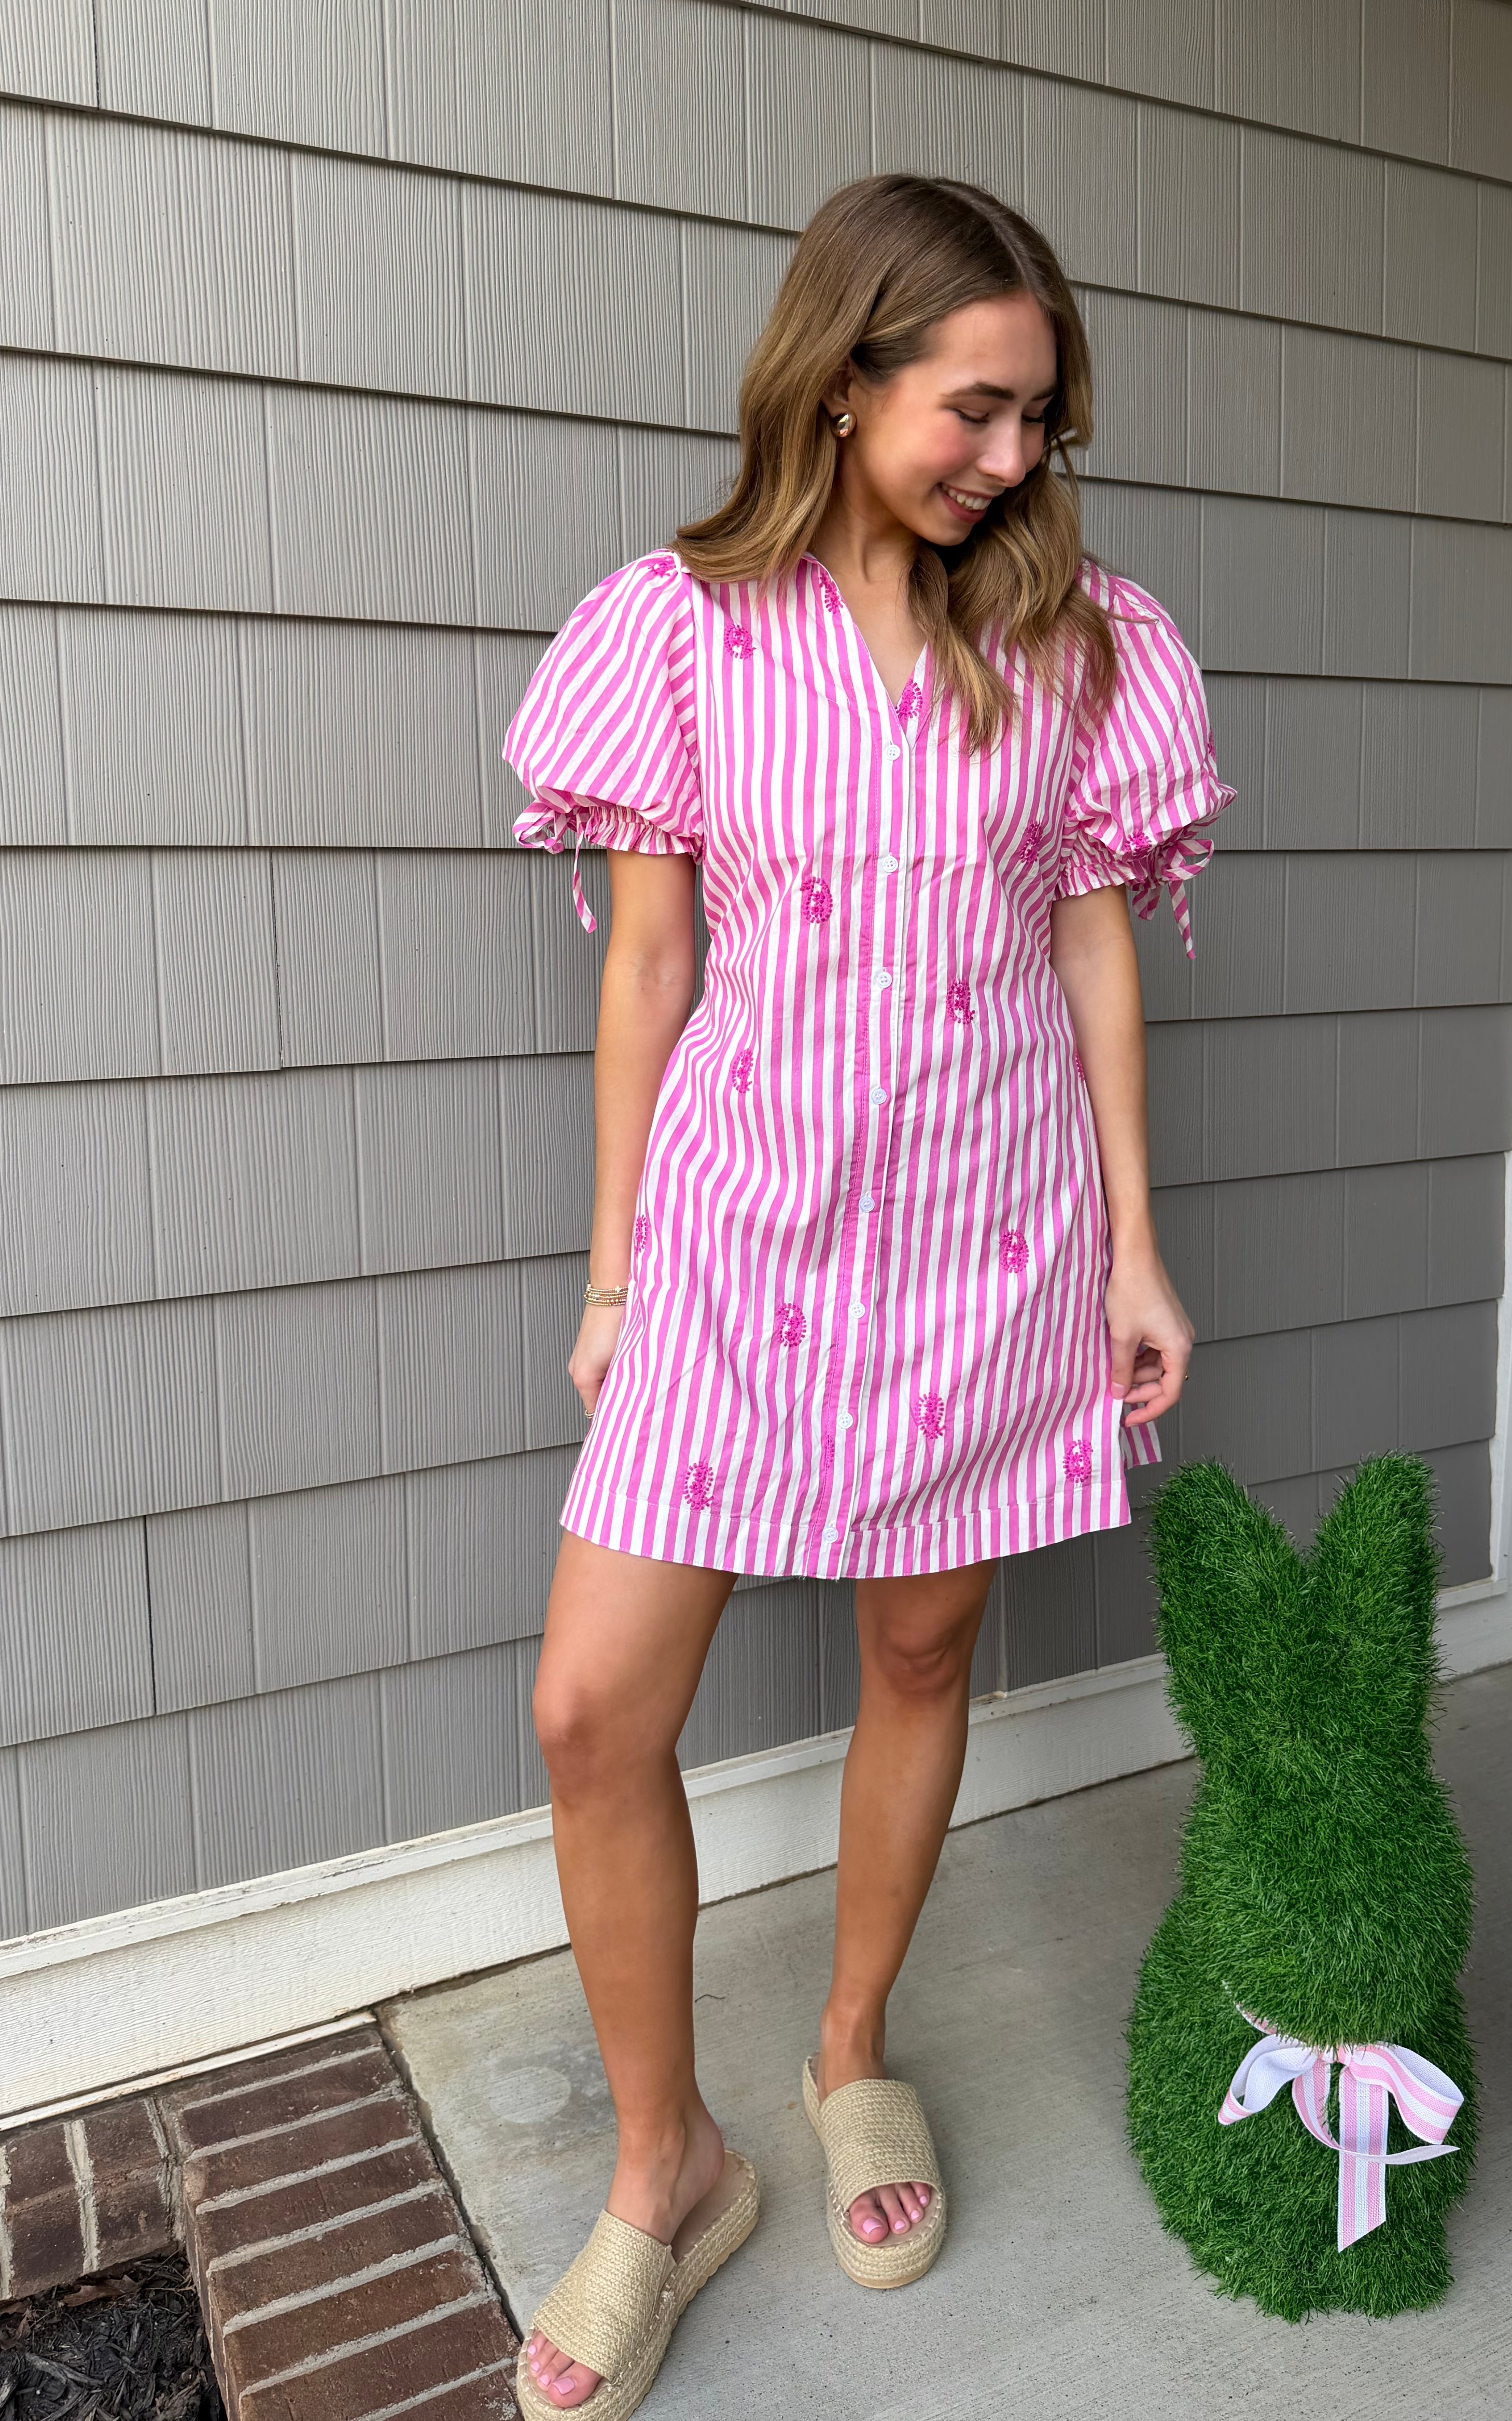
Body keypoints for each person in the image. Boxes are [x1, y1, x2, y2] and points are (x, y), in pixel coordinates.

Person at [501, 172, 1232, 2417]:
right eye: (978, 406)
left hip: (994, 1222)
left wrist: (1132, 1234)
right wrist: (619, 1266)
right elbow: (649, 962)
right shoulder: (676, 625)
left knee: (924, 1640)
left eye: (1040, 416)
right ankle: (666, 2164)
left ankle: (847, 2048)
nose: (1014, 456)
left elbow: (1091, 934)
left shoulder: (1083, 636)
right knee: (594, 1709)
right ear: (848, 377)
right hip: (739, 1233)